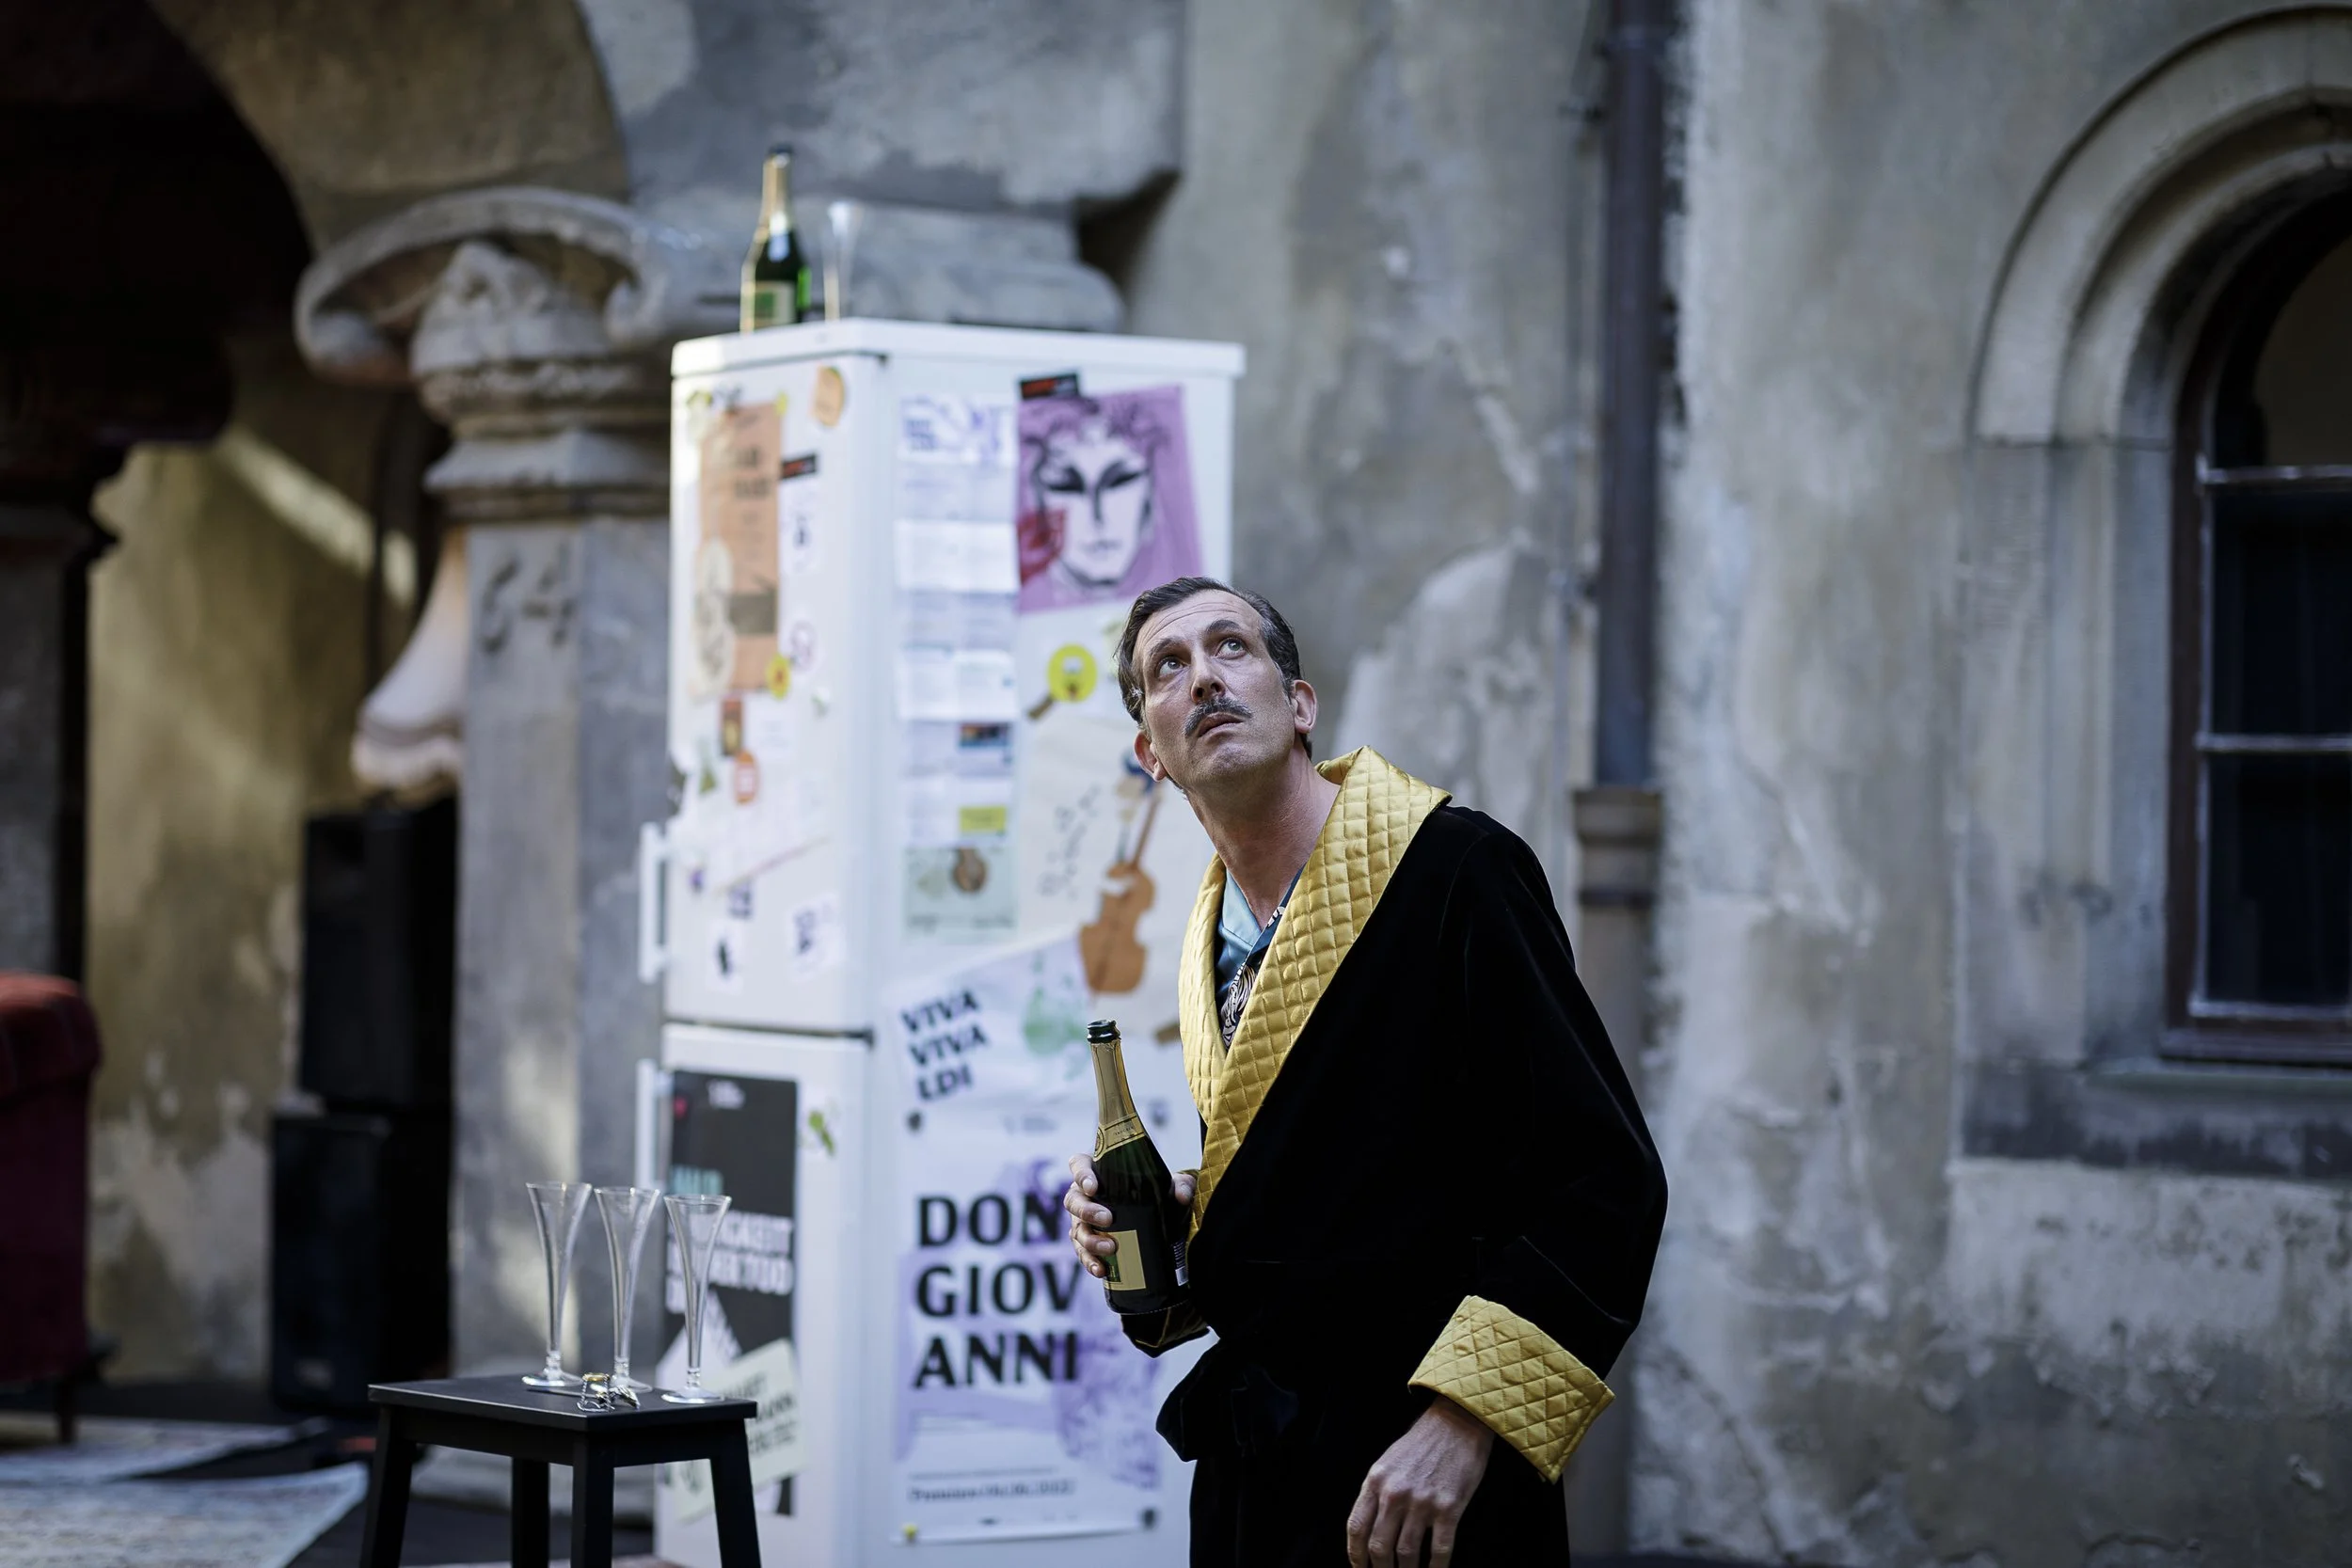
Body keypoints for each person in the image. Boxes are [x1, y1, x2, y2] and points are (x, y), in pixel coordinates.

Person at [1064, 577, 1666, 1567]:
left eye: (1231, 647)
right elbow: (1332, 1182)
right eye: (1167, 667)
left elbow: (1602, 1180)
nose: (1203, 675)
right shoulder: (1205, 943)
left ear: (1299, 705)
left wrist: (1466, 1419)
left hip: (1422, 1482)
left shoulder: (1456, 872)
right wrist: (1180, 1217)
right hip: (1260, 1477)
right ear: (1153, 756)